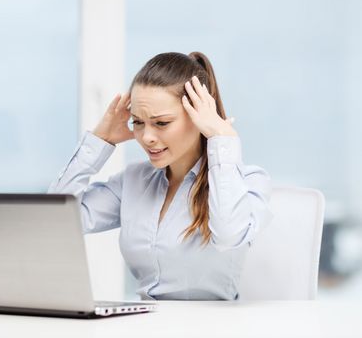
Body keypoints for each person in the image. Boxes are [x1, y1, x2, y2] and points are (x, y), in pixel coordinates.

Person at [48, 51, 273, 300]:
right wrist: (99, 140)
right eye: (138, 122)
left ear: (199, 117)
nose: (147, 137)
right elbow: (58, 221)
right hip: (144, 324)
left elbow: (229, 235)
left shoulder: (248, 181)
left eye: (162, 123)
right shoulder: (133, 181)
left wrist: (223, 139)